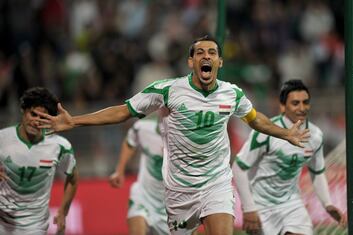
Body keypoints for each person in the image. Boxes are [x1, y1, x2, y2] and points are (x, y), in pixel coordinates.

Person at [35, 35, 310, 235]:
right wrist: (76, 122)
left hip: (216, 182)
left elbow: (255, 118)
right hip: (179, 190)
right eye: (200, 52)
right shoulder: (167, 90)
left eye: (212, 52)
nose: (206, 56)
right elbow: (123, 111)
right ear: (191, 61)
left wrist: (284, 133)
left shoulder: (232, 93)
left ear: (220, 61)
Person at [232, 79, 346, 235]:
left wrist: (327, 204)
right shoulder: (265, 132)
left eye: (305, 102)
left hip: (292, 205)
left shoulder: (315, 136)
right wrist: (249, 208)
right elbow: (238, 168)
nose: (302, 108)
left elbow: (317, 172)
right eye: (295, 103)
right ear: (282, 106)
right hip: (261, 206)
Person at [0, 87, 79, 235]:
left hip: (34, 225)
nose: (36, 121)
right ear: (23, 111)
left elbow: (73, 179)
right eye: (33, 114)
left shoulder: (59, 146)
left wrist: (63, 212)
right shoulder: (2, 138)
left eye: (43, 118)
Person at [108, 117, 169, 235]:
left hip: (171, 204)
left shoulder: (188, 139)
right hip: (143, 195)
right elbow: (130, 141)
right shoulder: (142, 128)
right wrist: (119, 170)